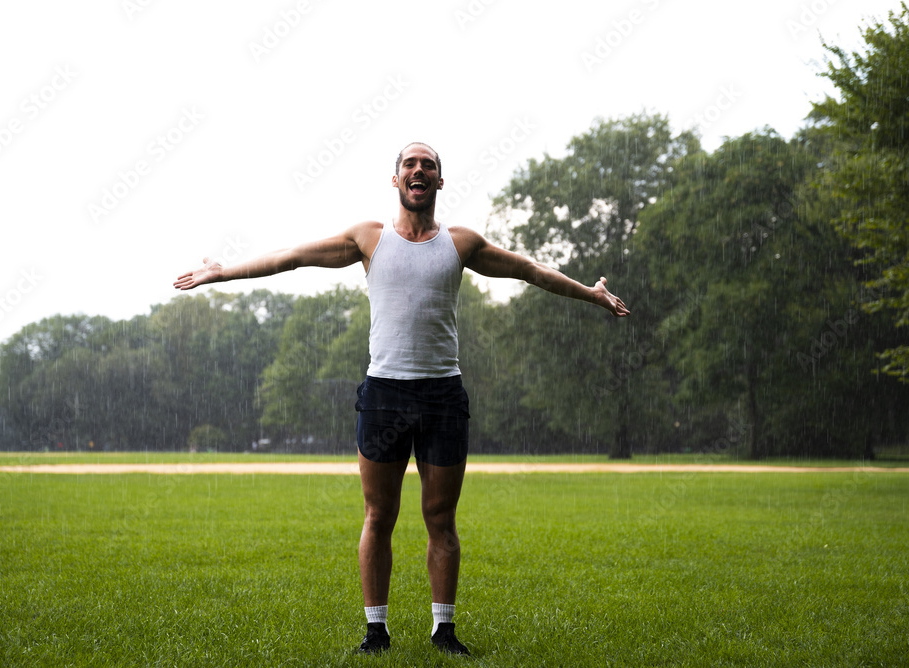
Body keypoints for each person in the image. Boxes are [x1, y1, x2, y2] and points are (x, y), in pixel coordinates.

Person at [173, 142, 630, 655]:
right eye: (409, 164)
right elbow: (290, 258)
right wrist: (222, 272)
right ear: (396, 180)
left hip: (442, 396)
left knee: (441, 518)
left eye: (427, 165)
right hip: (385, 394)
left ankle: (444, 630)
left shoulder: (462, 243)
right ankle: (376, 631)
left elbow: (529, 270)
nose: (418, 170)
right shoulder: (369, 238)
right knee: (378, 516)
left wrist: (590, 294)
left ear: (439, 181)